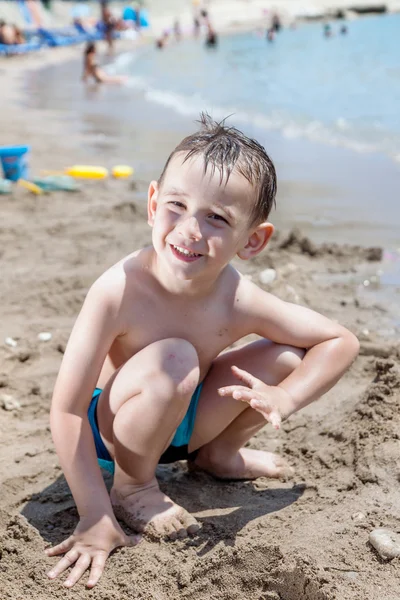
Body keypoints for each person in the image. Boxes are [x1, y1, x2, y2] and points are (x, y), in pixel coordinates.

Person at [45, 114, 359, 588]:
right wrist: (93, 514)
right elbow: (67, 412)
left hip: (188, 421)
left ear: (252, 240)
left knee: (286, 360)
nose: (190, 229)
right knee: (174, 357)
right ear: (153, 204)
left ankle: (218, 454)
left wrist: (286, 399)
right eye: (177, 205)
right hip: (117, 433)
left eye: (217, 218)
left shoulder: (236, 297)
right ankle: (133, 486)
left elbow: (340, 341)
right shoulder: (118, 290)